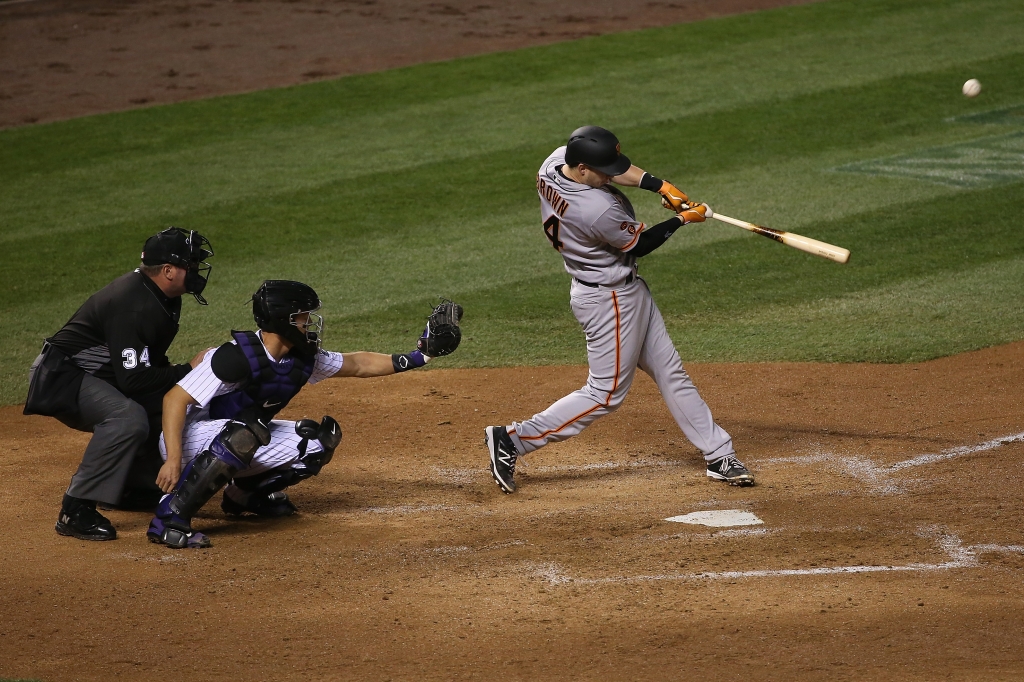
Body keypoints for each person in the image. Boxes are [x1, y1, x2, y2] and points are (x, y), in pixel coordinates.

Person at [484, 125, 754, 494]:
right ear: (581, 169)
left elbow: (616, 169)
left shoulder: (554, 163)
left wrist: (661, 186)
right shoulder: (596, 209)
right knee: (605, 393)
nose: (611, 175)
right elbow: (639, 245)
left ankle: (718, 454)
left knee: (670, 371)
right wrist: (683, 219)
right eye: (603, 171)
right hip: (608, 300)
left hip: (625, 291)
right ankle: (512, 439)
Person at [148, 281, 462, 549]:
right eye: (303, 317)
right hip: (187, 438)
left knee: (316, 443)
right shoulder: (234, 357)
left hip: (234, 436)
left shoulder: (301, 359)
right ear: (284, 319)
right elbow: (175, 399)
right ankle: (169, 519)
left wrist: (420, 355)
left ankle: (243, 496)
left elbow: (358, 364)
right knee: (246, 431)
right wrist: (173, 459)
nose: (308, 323)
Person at [25, 227, 214, 541]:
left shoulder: (162, 295)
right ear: (168, 271)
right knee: (128, 418)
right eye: (190, 265)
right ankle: (76, 508)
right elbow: (136, 379)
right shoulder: (134, 304)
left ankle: (131, 486)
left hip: (100, 374)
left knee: (166, 404)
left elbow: (144, 362)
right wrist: (186, 370)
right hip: (62, 376)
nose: (196, 271)